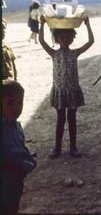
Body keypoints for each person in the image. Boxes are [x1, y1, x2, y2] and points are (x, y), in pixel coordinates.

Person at [39, 15, 94, 158]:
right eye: (61, 37)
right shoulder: (53, 53)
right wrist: (42, 24)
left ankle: (73, 147)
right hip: (60, 92)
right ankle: (57, 148)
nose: (64, 39)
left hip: (72, 92)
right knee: (60, 120)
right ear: (56, 39)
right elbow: (41, 40)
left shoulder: (75, 53)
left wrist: (87, 25)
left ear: (72, 38)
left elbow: (91, 41)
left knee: (72, 120)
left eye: (67, 37)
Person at [1, 80, 36, 214]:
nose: (16, 108)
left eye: (20, 102)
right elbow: (9, 154)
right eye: (9, 103)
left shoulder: (15, 125)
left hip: (15, 182)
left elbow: (18, 146)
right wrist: (25, 162)